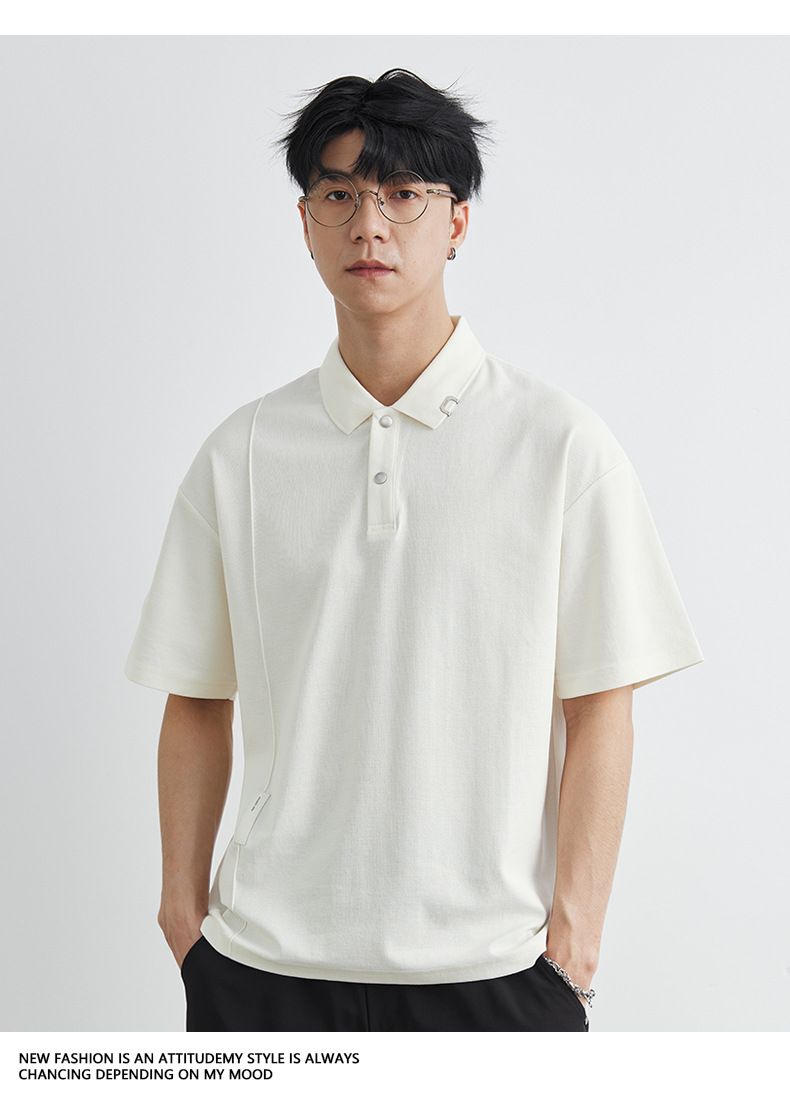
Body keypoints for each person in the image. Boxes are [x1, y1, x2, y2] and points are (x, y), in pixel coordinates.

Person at [125, 68, 703, 1033]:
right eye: (339, 195)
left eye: (403, 194)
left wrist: (575, 944)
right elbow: (194, 695)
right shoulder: (243, 453)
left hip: (496, 974)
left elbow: (602, 704)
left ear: (457, 221)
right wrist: (185, 917)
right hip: (263, 969)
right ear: (305, 221)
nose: (369, 226)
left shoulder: (560, 445)